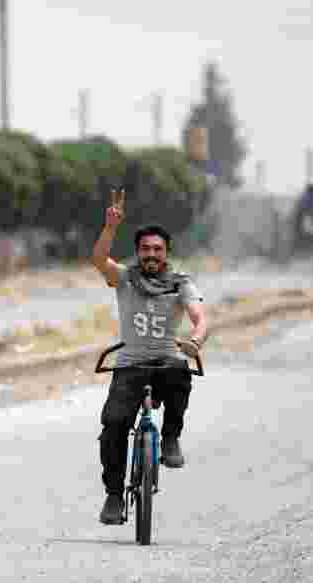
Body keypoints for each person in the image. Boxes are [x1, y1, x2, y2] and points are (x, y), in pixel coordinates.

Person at [91, 189, 208, 525]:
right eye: (145, 249)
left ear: (167, 253)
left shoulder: (180, 283)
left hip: (166, 364)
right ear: (138, 253)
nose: (151, 254)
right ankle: (114, 496)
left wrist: (196, 341)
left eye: (157, 249)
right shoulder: (125, 278)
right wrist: (110, 227)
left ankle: (171, 438)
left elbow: (201, 319)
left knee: (180, 370)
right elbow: (100, 260)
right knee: (113, 426)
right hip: (129, 367)